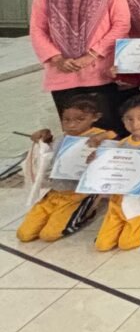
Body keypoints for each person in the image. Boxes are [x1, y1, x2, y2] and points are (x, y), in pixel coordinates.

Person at [30, 0, 131, 130]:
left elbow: (121, 25)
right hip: (62, 72)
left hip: (100, 71)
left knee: (106, 130)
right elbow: (37, 30)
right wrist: (56, 58)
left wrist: (92, 55)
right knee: (74, 130)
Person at [17, 98, 115, 243]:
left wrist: (104, 136)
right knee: (24, 234)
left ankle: (87, 211)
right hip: (54, 193)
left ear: (95, 117)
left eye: (80, 119)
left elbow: (117, 138)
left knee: (49, 235)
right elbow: (49, 153)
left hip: (78, 194)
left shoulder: (98, 136)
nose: (72, 125)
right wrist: (45, 137)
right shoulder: (63, 138)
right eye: (66, 120)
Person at [92, 94, 140, 251]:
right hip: (118, 200)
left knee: (128, 243)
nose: (135, 124)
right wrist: (97, 161)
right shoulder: (120, 145)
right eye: (129, 119)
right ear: (123, 120)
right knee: (102, 245)